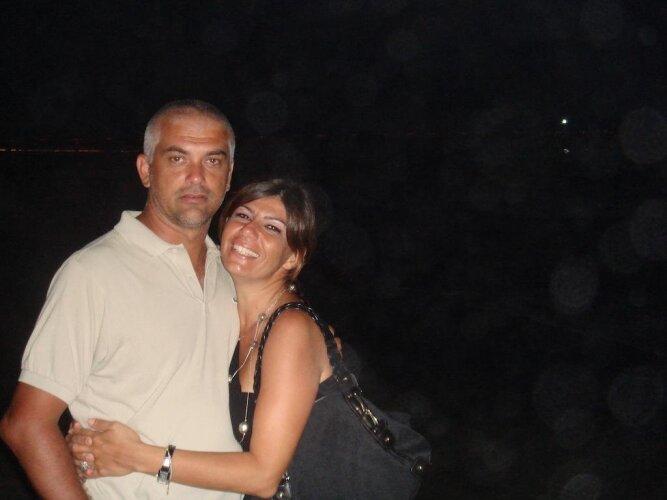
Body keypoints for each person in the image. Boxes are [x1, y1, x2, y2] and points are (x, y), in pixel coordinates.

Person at [0, 100, 243, 499]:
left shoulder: (234, 274)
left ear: (229, 175)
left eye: (213, 161)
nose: (197, 177)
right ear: (146, 170)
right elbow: (25, 425)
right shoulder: (93, 273)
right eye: (177, 158)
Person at [68, 179, 333, 498]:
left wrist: (135, 456)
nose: (249, 231)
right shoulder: (227, 309)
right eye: (243, 216)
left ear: (293, 258)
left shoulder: (291, 328)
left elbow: (264, 477)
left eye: (272, 228)